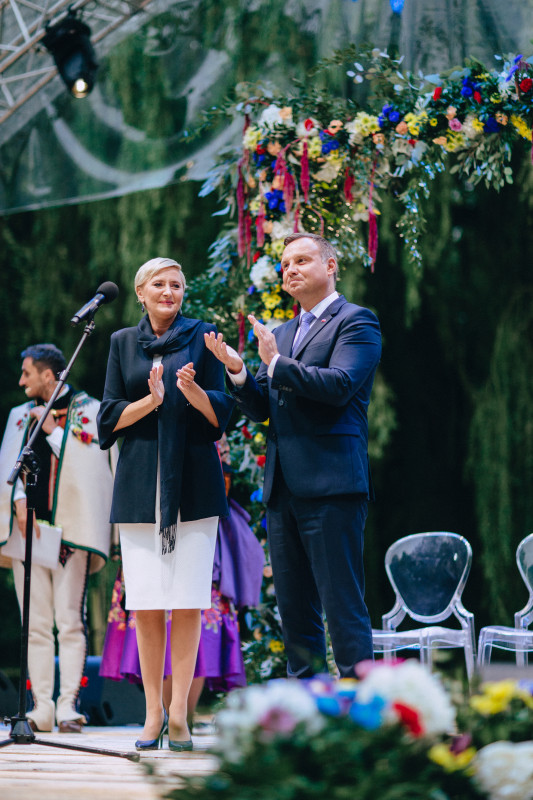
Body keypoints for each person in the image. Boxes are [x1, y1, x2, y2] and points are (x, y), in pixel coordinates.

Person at [205, 232, 382, 679]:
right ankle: (306, 708)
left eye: (301, 260)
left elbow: (340, 386)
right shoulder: (282, 333)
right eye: (285, 264)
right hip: (283, 489)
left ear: (330, 266)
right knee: (295, 612)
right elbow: (262, 407)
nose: (290, 270)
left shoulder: (356, 321)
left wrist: (276, 363)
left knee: (342, 604)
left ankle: (361, 704)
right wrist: (238, 370)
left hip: (332, 484)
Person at [96, 257, 233, 752]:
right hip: (139, 485)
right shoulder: (121, 343)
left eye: (176, 284)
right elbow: (108, 418)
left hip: (194, 482)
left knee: (189, 600)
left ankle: (179, 714)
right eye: (159, 283)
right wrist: (151, 402)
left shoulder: (202, 336)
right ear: (141, 292)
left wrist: (192, 392)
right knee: (147, 602)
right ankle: (153, 712)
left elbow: (222, 415)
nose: (169, 291)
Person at [0, 343, 114, 732]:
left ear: (48, 375)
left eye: (27, 373)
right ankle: (41, 707)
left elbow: (93, 467)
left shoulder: (89, 410)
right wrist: (17, 500)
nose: (21, 381)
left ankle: (67, 705)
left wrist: (52, 432)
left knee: (69, 621)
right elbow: (7, 467)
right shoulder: (19, 415)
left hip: (70, 534)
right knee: (34, 624)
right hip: (27, 533)